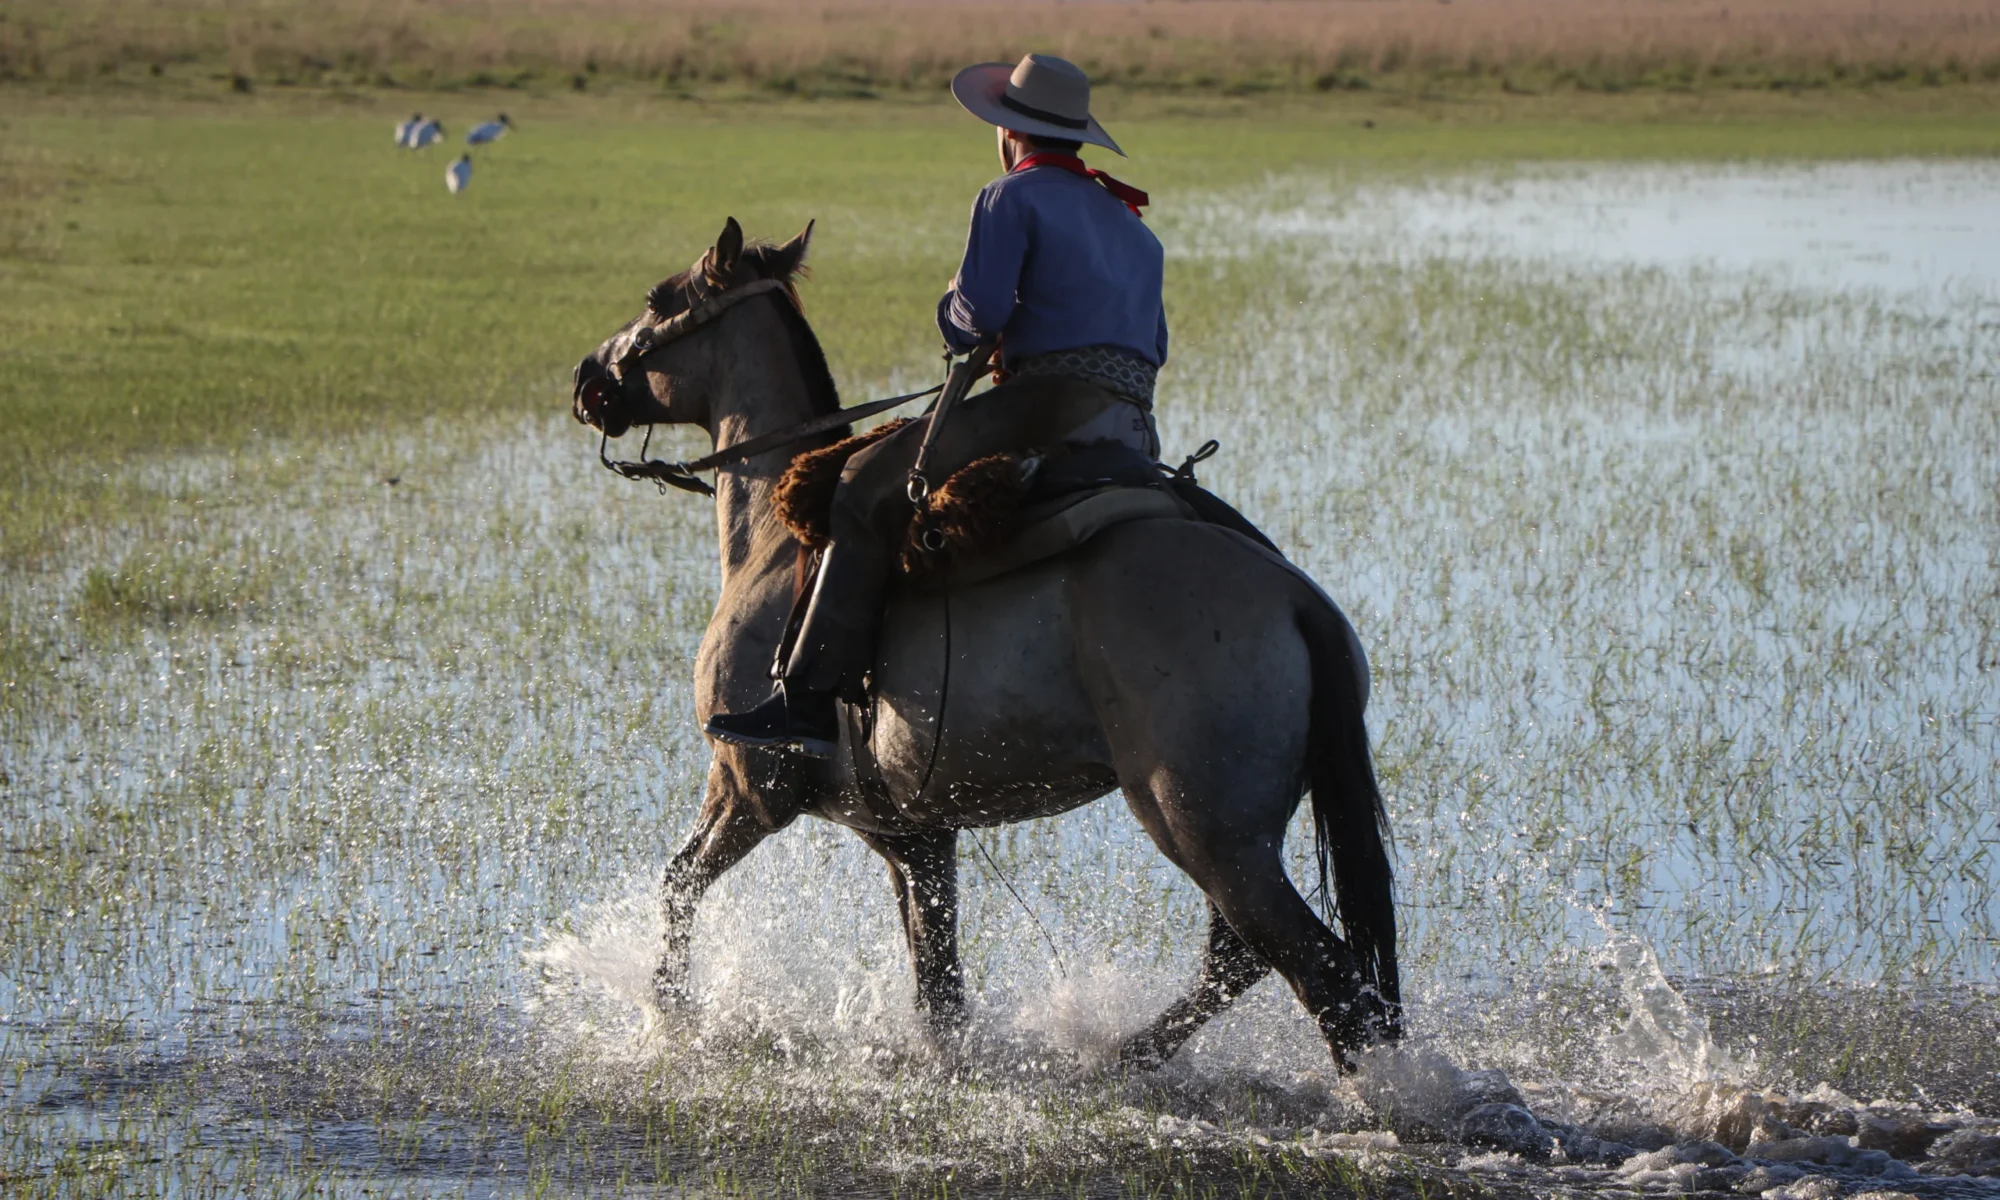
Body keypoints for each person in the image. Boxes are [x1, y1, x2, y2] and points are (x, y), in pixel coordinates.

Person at [705, 52, 1168, 757]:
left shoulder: (1008, 198)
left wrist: (951, 304)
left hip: (1046, 407)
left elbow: (973, 317)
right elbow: (1153, 343)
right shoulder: (1134, 225)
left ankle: (808, 699)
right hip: (1136, 429)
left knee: (859, 487)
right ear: (1076, 135)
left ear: (1010, 132)